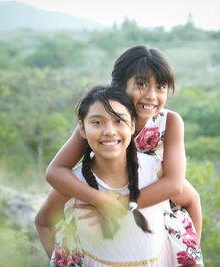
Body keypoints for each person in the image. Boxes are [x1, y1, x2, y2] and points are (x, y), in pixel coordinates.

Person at [39, 45, 203, 266]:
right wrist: (99, 199)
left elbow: (174, 184)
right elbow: (55, 171)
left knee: (191, 198)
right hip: (107, 183)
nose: (151, 95)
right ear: (119, 85)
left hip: (153, 194)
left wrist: (119, 207)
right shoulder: (101, 122)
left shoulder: (169, 121)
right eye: (141, 84)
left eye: (161, 86)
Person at [37, 85, 174, 266]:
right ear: (82, 129)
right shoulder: (74, 184)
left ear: (132, 125)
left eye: (119, 121)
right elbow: (44, 223)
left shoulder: (155, 172)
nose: (109, 131)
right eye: (97, 122)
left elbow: (191, 202)